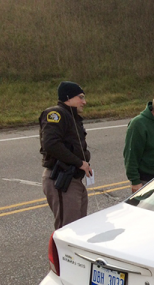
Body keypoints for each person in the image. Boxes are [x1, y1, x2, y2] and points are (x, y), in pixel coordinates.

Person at [40, 81, 93, 229]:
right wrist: (79, 163)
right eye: (80, 97)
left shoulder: (72, 117)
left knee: (80, 228)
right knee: (67, 230)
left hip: (74, 179)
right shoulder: (55, 114)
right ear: (68, 97)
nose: (84, 101)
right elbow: (50, 144)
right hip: (62, 179)